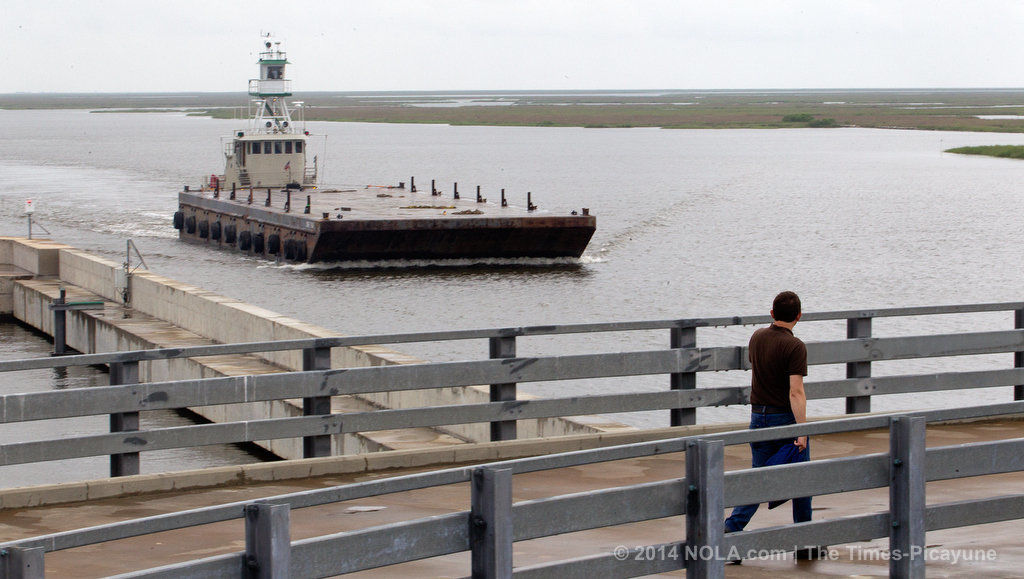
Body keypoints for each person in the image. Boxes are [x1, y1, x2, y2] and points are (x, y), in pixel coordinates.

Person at [724, 290, 811, 534]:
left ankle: (731, 527)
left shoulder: (757, 337)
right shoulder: (795, 346)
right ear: (799, 316)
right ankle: (805, 539)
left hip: (757, 417)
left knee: (758, 479)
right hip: (783, 418)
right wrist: (801, 430)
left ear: (772, 313)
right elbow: (796, 392)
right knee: (803, 477)